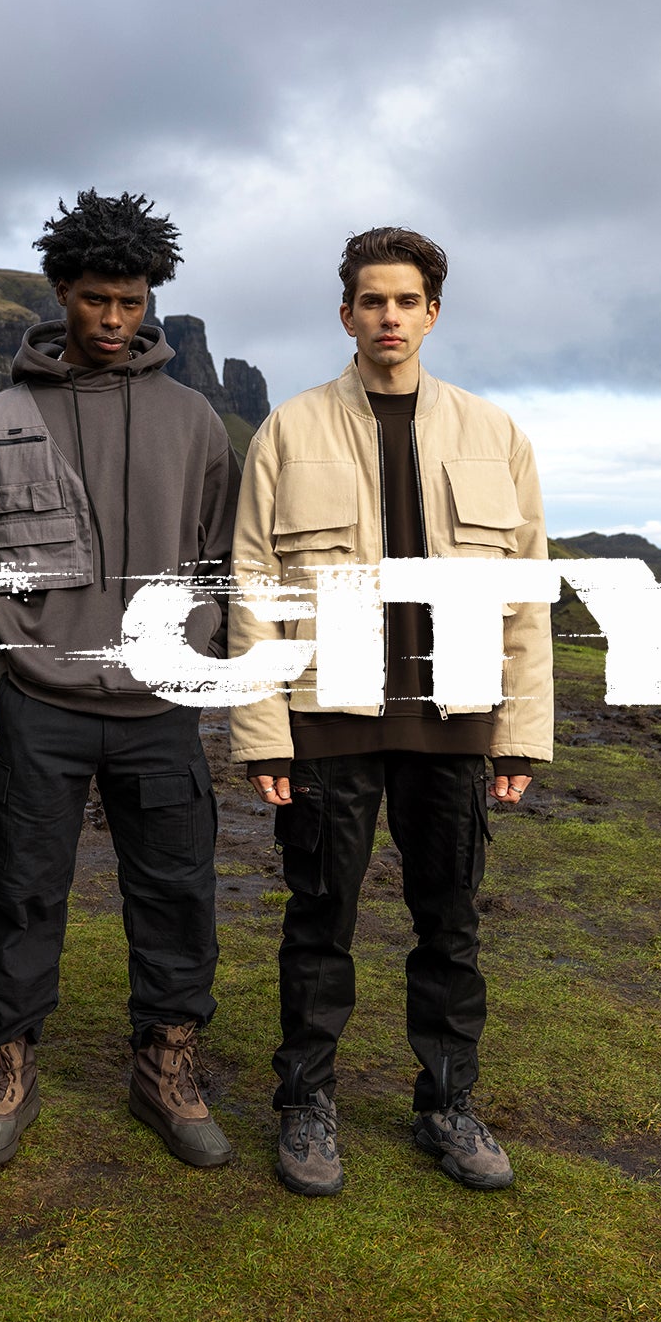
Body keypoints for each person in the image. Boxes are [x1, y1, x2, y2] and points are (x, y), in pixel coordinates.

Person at [227, 227, 550, 1197]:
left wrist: (521, 728)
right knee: (318, 919)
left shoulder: (494, 435)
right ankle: (306, 1104)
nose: (389, 317)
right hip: (328, 721)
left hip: (453, 725)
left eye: (406, 301)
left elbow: (527, 593)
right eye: (372, 300)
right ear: (346, 314)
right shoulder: (288, 429)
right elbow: (251, 585)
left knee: (448, 922)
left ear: (432, 313)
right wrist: (261, 729)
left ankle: (446, 1101)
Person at [0, 191, 241, 1173]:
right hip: (39, 701)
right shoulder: (0, 415)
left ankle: (165, 1066)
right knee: (20, 888)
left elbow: (219, 556)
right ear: (61, 295)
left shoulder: (196, 418)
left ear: (150, 296)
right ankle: (5, 1063)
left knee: (175, 892)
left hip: (161, 704)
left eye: (131, 300)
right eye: (94, 300)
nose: (114, 319)